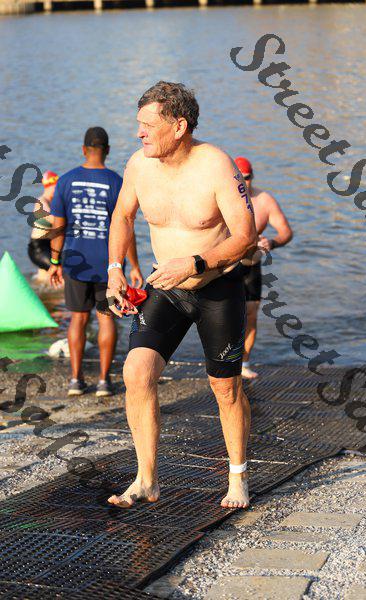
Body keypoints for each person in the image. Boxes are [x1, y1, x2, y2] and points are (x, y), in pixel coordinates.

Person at [106, 81, 257, 509]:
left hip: (217, 288)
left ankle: (238, 477)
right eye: (138, 124)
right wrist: (115, 270)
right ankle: (147, 479)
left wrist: (195, 263)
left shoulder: (216, 166)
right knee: (136, 372)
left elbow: (246, 236)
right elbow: (122, 216)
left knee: (225, 388)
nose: (139, 132)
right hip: (166, 287)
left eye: (148, 125)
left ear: (179, 126)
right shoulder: (139, 165)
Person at [47, 127, 143, 397]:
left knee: (77, 319)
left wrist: (54, 260)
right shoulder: (116, 182)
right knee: (106, 318)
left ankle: (75, 380)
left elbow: (58, 227)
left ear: (83, 149)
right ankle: (103, 381)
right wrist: (134, 266)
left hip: (75, 263)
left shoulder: (66, 181)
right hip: (109, 265)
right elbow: (126, 228)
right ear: (107, 150)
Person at [234, 156, 293, 380]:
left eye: (247, 177)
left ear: (253, 177)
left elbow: (286, 232)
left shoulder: (264, 200)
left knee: (251, 314)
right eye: (239, 177)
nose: (244, 182)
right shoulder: (222, 197)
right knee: (225, 316)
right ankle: (223, 361)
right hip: (226, 267)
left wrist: (273, 242)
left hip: (252, 265)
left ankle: (244, 363)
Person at [28, 170, 59, 282]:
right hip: (38, 249)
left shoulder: (54, 202)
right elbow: (52, 219)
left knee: (43, 281)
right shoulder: (41, 202)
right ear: (50, 186)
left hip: (49, 246)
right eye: (57, 187)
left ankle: (38, 290)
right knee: (60, 272)